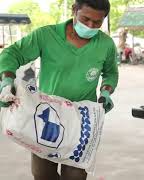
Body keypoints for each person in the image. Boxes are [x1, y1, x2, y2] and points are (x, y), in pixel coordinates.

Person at [0, 0, 118, 179]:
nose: (90, 26)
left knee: (75, 176)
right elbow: (12, 54)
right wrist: (6, 82)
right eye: (85, 19)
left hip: (82, 120)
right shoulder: (46, 36)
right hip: (47, 114)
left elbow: (110, 72)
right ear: (74, 10)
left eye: (97, 22)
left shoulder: (106, 44)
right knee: (42, 174)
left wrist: (106, 93)